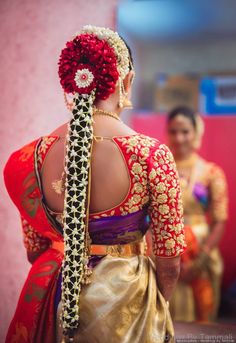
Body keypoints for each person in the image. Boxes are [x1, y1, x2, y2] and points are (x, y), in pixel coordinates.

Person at [3, 26, 186, 343]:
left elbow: (36, 251)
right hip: (125, 302)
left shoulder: (27, 158)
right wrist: (157, 308)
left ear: (72, 82)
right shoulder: (151, 156)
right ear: (126, 81)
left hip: (50, 301)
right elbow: (169, 262)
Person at [167, 106, 228, 322]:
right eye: (173, 131)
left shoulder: (211, 172)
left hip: (200, 253)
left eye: (185, 131)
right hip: (166, 251)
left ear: (195, 133)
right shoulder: (160, 169)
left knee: (201, 320)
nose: (179, 138)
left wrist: (201, 259)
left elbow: (220, 219)